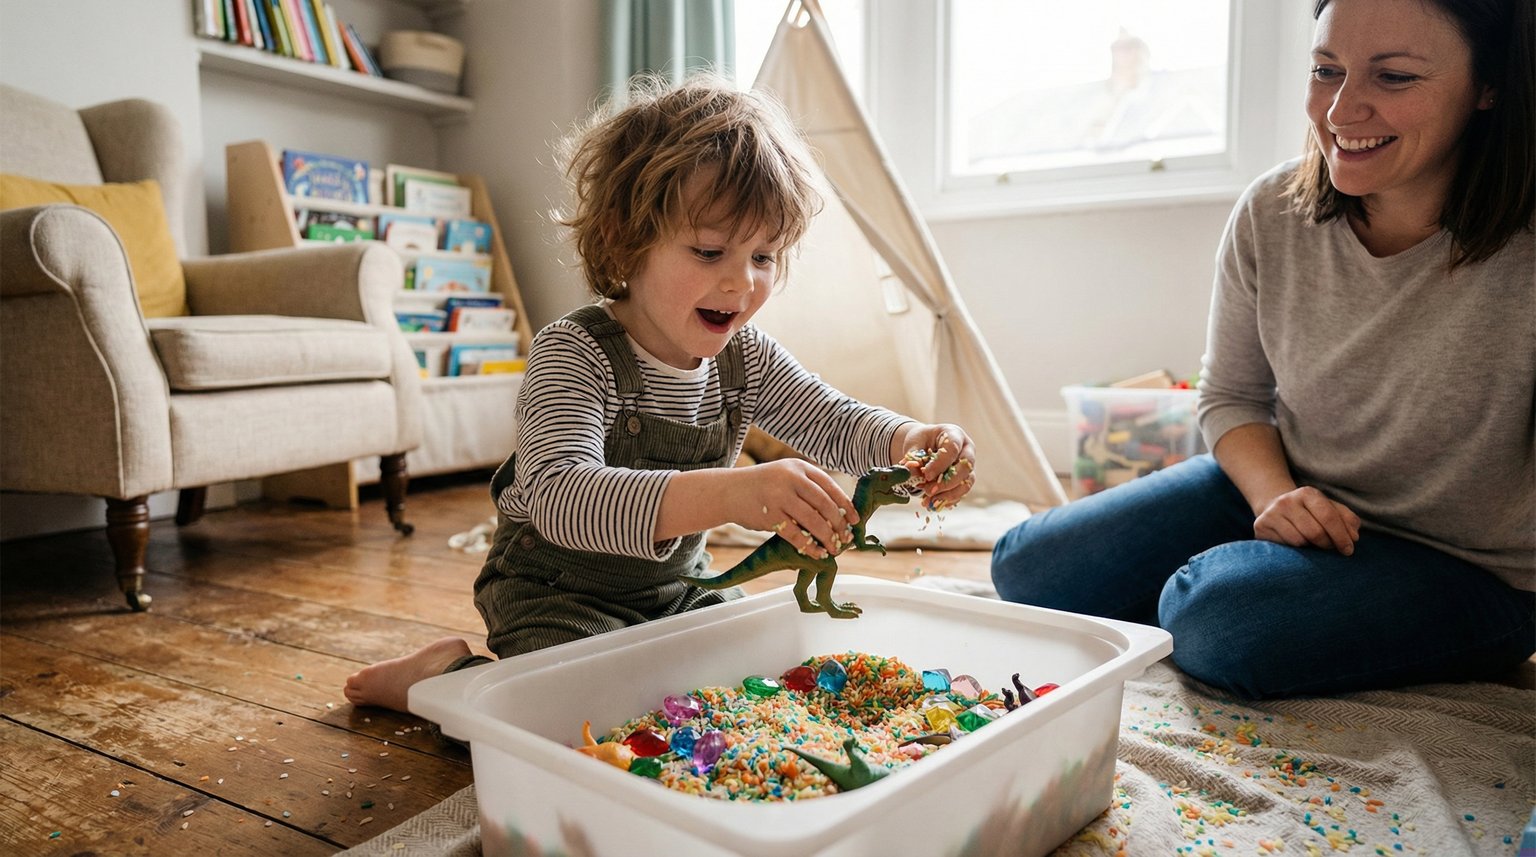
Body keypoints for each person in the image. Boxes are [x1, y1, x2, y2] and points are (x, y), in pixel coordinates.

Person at [346, 74, 977, 713]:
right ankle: (441, 678)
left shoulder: (745, 356)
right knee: (568, 715)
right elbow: (563, 497)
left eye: (764, 256)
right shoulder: (574, 351)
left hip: (678, 591)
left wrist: (911, 438)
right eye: (709, 251)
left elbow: (833, 420)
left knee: (756, 689)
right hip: (559, 595)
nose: (741, 283)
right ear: (627, 240)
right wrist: (735, 494)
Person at [991, 0, 1533, 699]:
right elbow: (1233, 396)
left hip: (1468, 567)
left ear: (1488, 86)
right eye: (1325, 69)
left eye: (1393, 77)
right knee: (1027, 566)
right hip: (1298, 489)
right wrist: (1276, 496)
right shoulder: (1271, 210)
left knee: (1215, 616)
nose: (1341, 110)